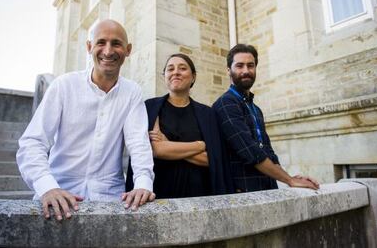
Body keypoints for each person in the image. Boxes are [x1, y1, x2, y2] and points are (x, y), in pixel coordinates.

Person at [17, 20, 155, 220]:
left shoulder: (132, 92)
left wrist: (143, 184)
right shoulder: (64, 85)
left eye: (116, 43)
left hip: (111, 199)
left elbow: (138, 143)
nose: (108, 51)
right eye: (101, 42)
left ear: (128, 50)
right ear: (89, 47)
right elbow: (33, 142)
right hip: (58, 196)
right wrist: (47, 187)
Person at [213, 44, 319, 193]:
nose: (246, 71)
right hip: (243, 193)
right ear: (229, 70)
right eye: (239, 66)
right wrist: (289, 180)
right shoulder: (225, 104)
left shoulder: (256, 109)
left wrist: (292, 179)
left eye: (251, 65)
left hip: (268, 188)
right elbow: (249, 151)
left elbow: (267, 151)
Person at [126, 53, 232, 198]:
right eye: (170, 69)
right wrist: (200, 146)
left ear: (193, 76)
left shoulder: (207, 114)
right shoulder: (151, 108)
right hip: (161, 195)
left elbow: (213, 160)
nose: (176, 72)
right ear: (164, 76)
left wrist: (168, 145)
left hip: (200, 196)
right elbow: (156, 150)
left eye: (182, 68)